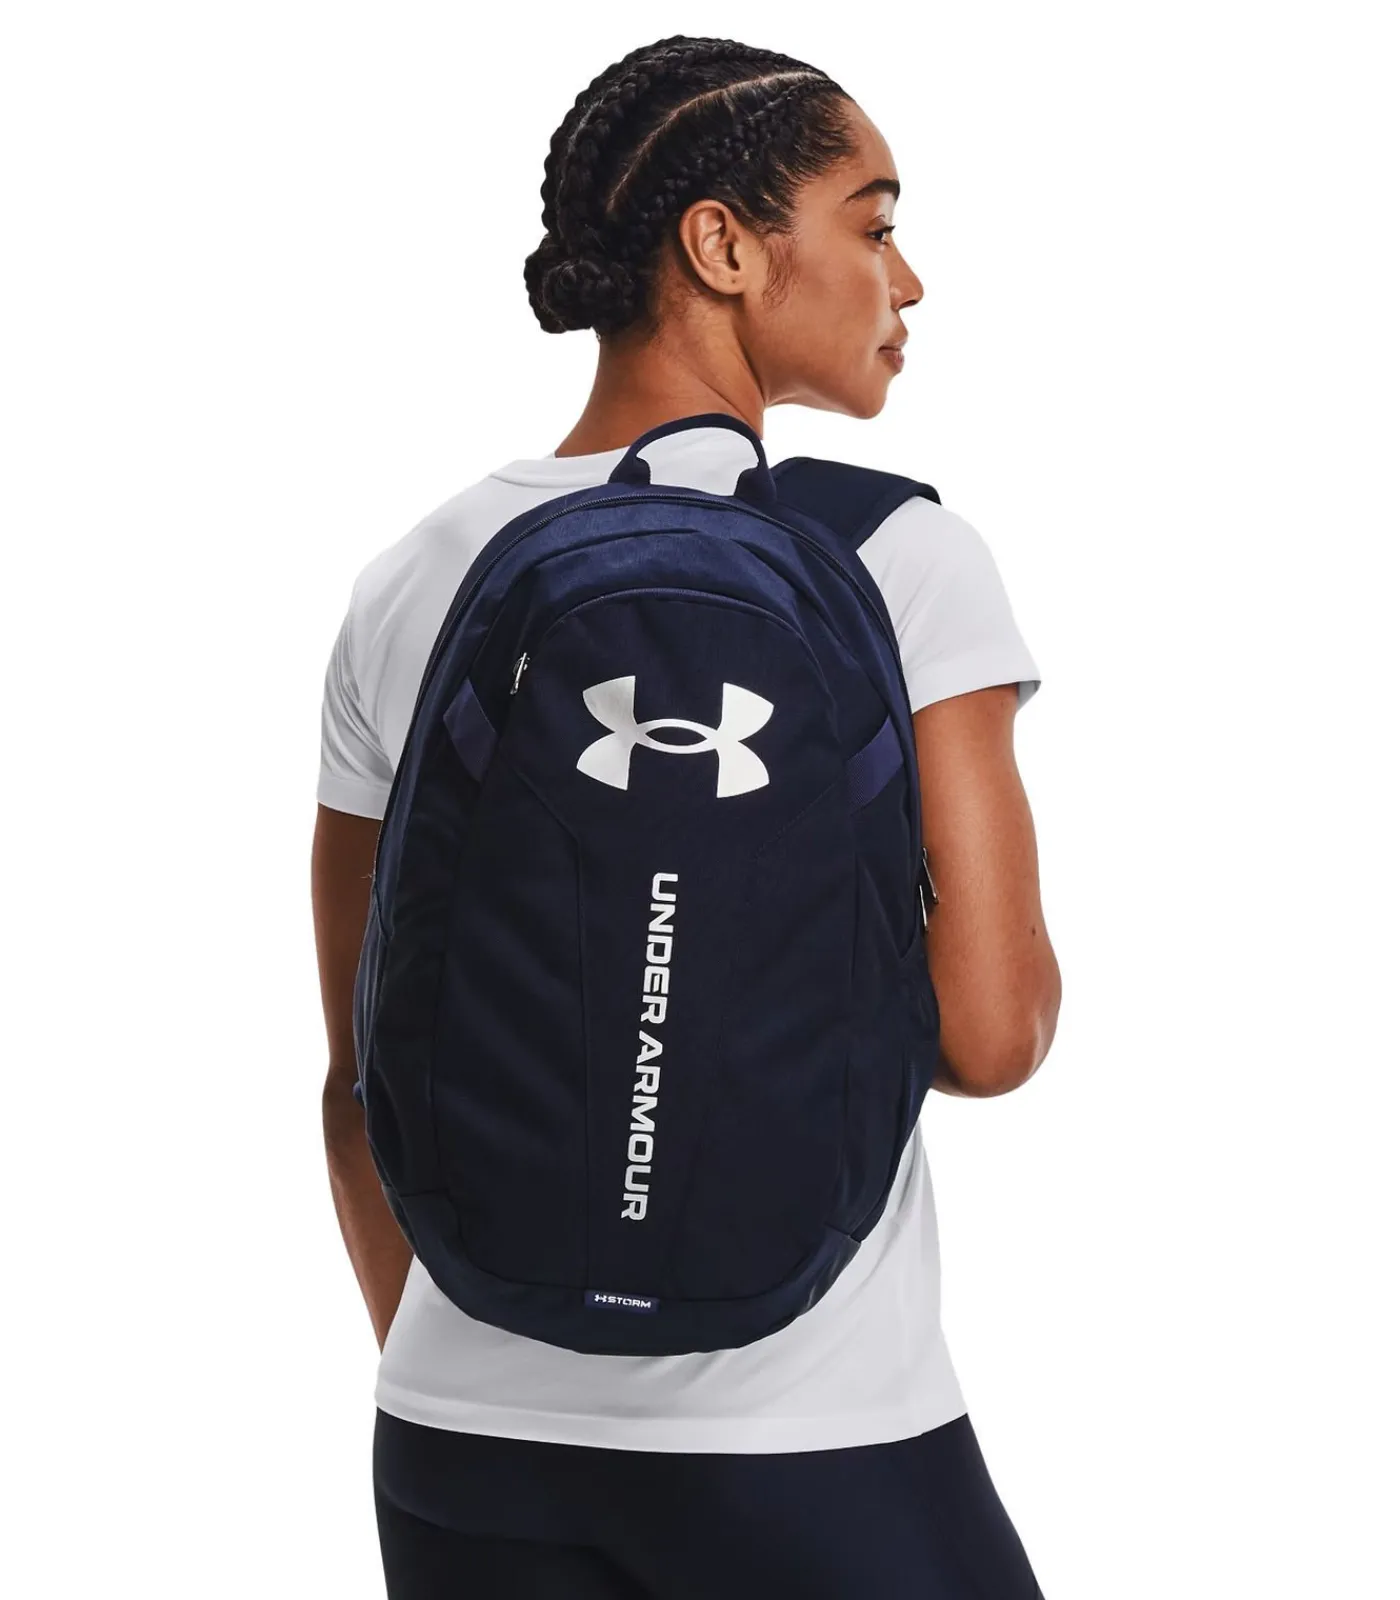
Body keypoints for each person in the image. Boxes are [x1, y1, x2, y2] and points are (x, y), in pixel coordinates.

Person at [311, 32, 1061, 1599]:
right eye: (872, 224)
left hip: (460, 1442)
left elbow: (362, 1078)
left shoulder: (413, 577)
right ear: (723, 246)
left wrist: (489, 1364)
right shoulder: (897, 558)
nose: (908, 280)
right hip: (811, 1434)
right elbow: (993, 1034)